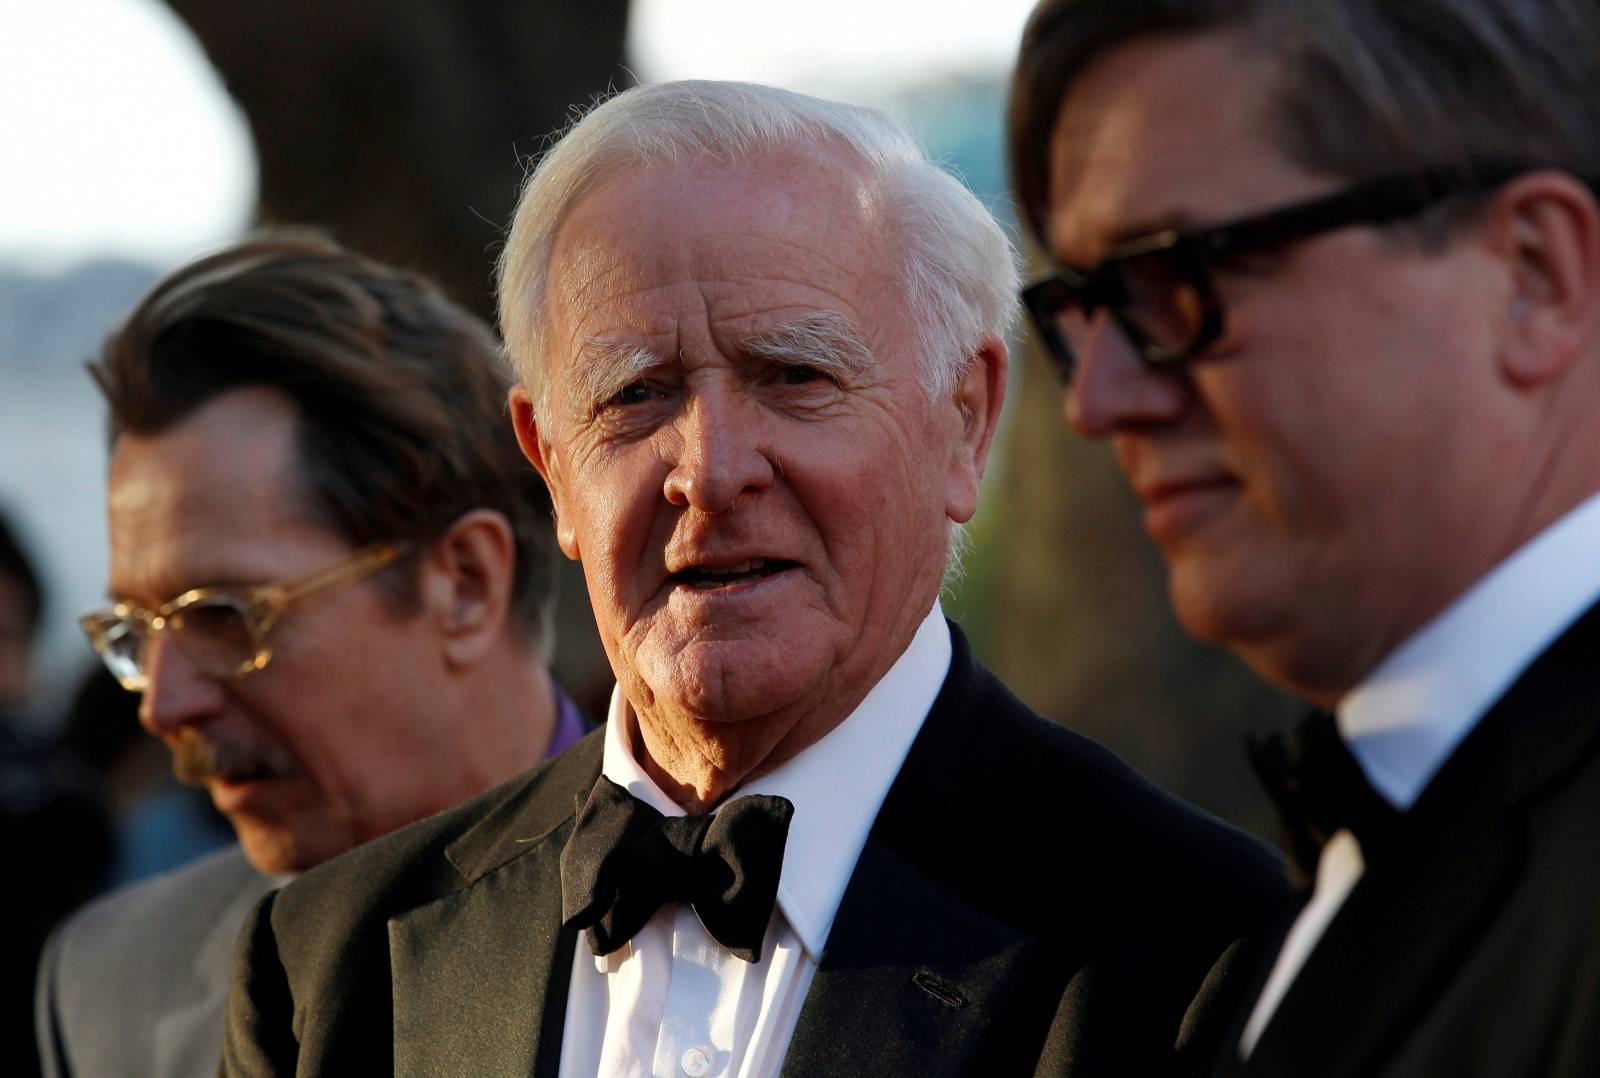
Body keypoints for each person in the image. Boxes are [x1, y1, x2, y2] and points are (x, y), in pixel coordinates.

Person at [220, 81, 1288, 1078]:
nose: (711, 469)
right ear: (548, 464)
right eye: (635, 393)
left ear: (963, 424)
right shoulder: (328, 967)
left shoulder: (1199, 954)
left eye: (794, 376)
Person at [1009, 2, 1600, 1075]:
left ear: (1533, 273)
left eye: (1177, 276)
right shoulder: (1321, 890)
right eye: (1083, 306)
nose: (1095, 399)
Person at [34, 233, 587, 1078]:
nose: (162, 704)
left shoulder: (735, 920)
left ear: (466, 584)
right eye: (136, 631)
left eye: (222, 616)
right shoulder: (110, 985)